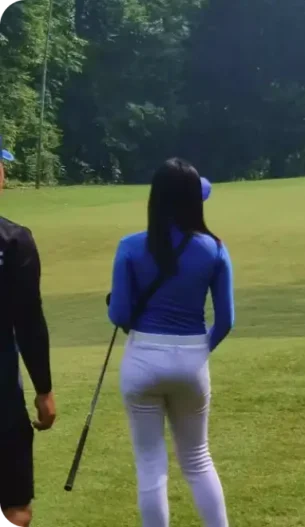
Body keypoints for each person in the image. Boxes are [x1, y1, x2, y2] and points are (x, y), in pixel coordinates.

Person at [107, 157, 234, 526]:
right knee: (197, 459)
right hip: (192, 360)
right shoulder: (214, 248)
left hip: (143, 357)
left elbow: (119, 315)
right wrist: (199, 349)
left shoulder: (130, 246)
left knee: (151, 464)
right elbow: (226, 320)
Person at [0, 141, 57, 527]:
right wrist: (44, 390)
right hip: (1, 391)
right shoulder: (14, 240)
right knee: (14, 509)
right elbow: (29, 322)